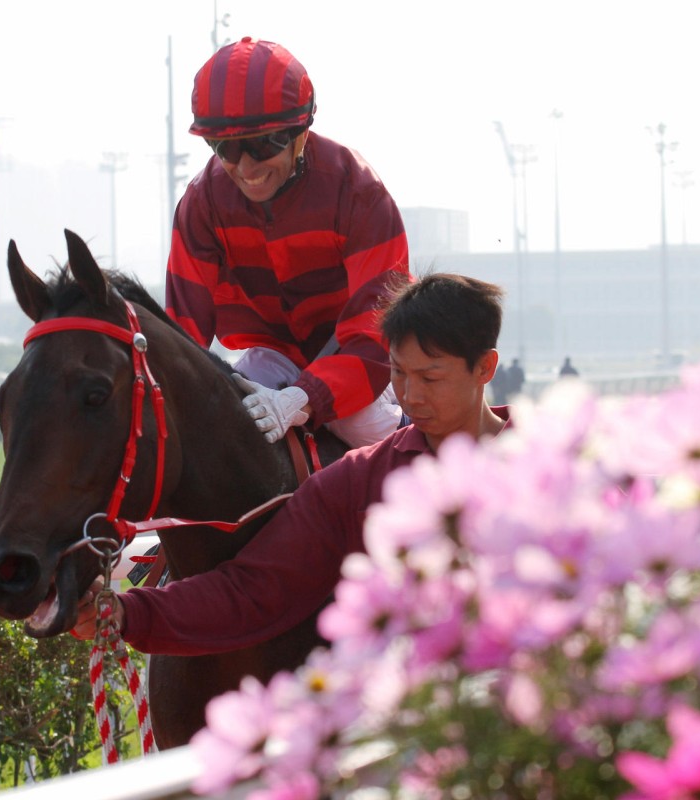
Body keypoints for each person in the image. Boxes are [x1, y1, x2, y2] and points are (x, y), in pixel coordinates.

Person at [73, 273, 510, 654]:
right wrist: (127, 613)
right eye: (398, 373)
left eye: (430, 377)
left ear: (484, 368)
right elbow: (253, 590)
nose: (410, 396)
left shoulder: (539, 467)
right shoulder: (355, 482)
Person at [167, 37, 410, 449]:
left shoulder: (358, 192)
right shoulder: (201, 203)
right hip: (274, 354)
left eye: (264, 144)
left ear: (301, 131)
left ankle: (420, 453)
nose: (246, 168)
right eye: (226, 148)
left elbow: (377, 330)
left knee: (359, 424)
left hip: (357, 358)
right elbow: (181, 332)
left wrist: (304, 397)